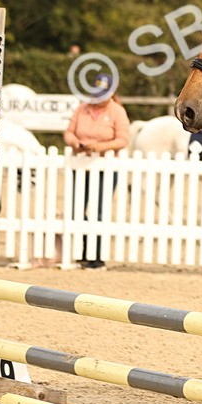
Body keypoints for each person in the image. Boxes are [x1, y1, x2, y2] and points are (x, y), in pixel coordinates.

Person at [63, 74, 129, 268]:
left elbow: (122, 140)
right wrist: (76, 143)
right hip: (82, 164)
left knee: (99, 211)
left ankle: (97, 255)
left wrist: (100, 147)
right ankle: (84, 250)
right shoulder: (82, 108)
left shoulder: (117, 111)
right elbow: (69, 132)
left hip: (105, 167)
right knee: (77, 208)